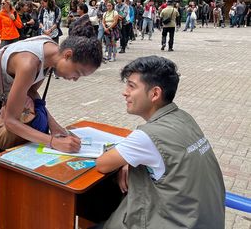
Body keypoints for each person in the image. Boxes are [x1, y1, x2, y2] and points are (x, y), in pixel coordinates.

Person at [0, 22, 103, 221]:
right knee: (1, 163)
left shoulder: (51, 55)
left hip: (6, 96)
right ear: (68, 54)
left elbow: (31, 91)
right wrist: (53, 142)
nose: (75, 80)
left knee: (17, 159)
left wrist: (55, 128)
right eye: (78, 73)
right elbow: (11, 122)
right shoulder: (29, 62)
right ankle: (1, 222)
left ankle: (18, 217)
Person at [95, 56, 225, 228]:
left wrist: (125, 160)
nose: (124, 92)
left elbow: (102, 164)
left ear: (155, 93)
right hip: (201, 219)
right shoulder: (184, 117)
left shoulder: (146, 136)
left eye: (131, 86)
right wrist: (128, 161)